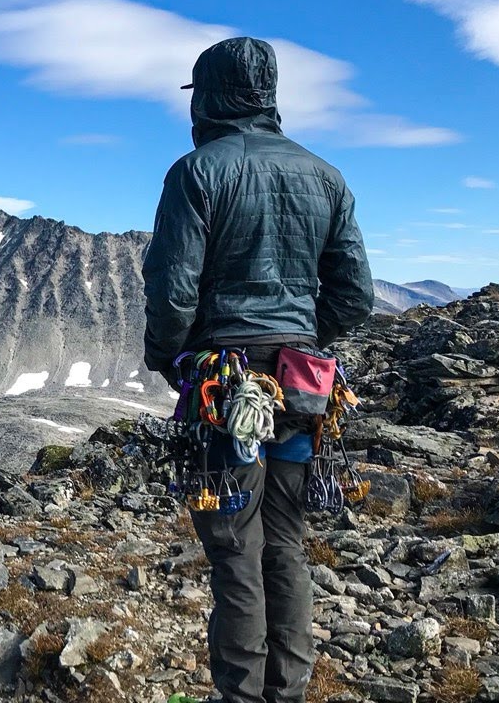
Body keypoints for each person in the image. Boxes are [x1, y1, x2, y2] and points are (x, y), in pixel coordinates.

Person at [142, 37, 374, 703]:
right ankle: (288, 692)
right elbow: (353, 293)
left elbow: (171, 289)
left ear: (209, 97)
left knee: (236, 549)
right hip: (304, 386)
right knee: (286, 541)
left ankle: (240, 696)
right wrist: (301, 341)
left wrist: (172, 358)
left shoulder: (196, 172)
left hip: (225, 386)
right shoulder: (326, 176)